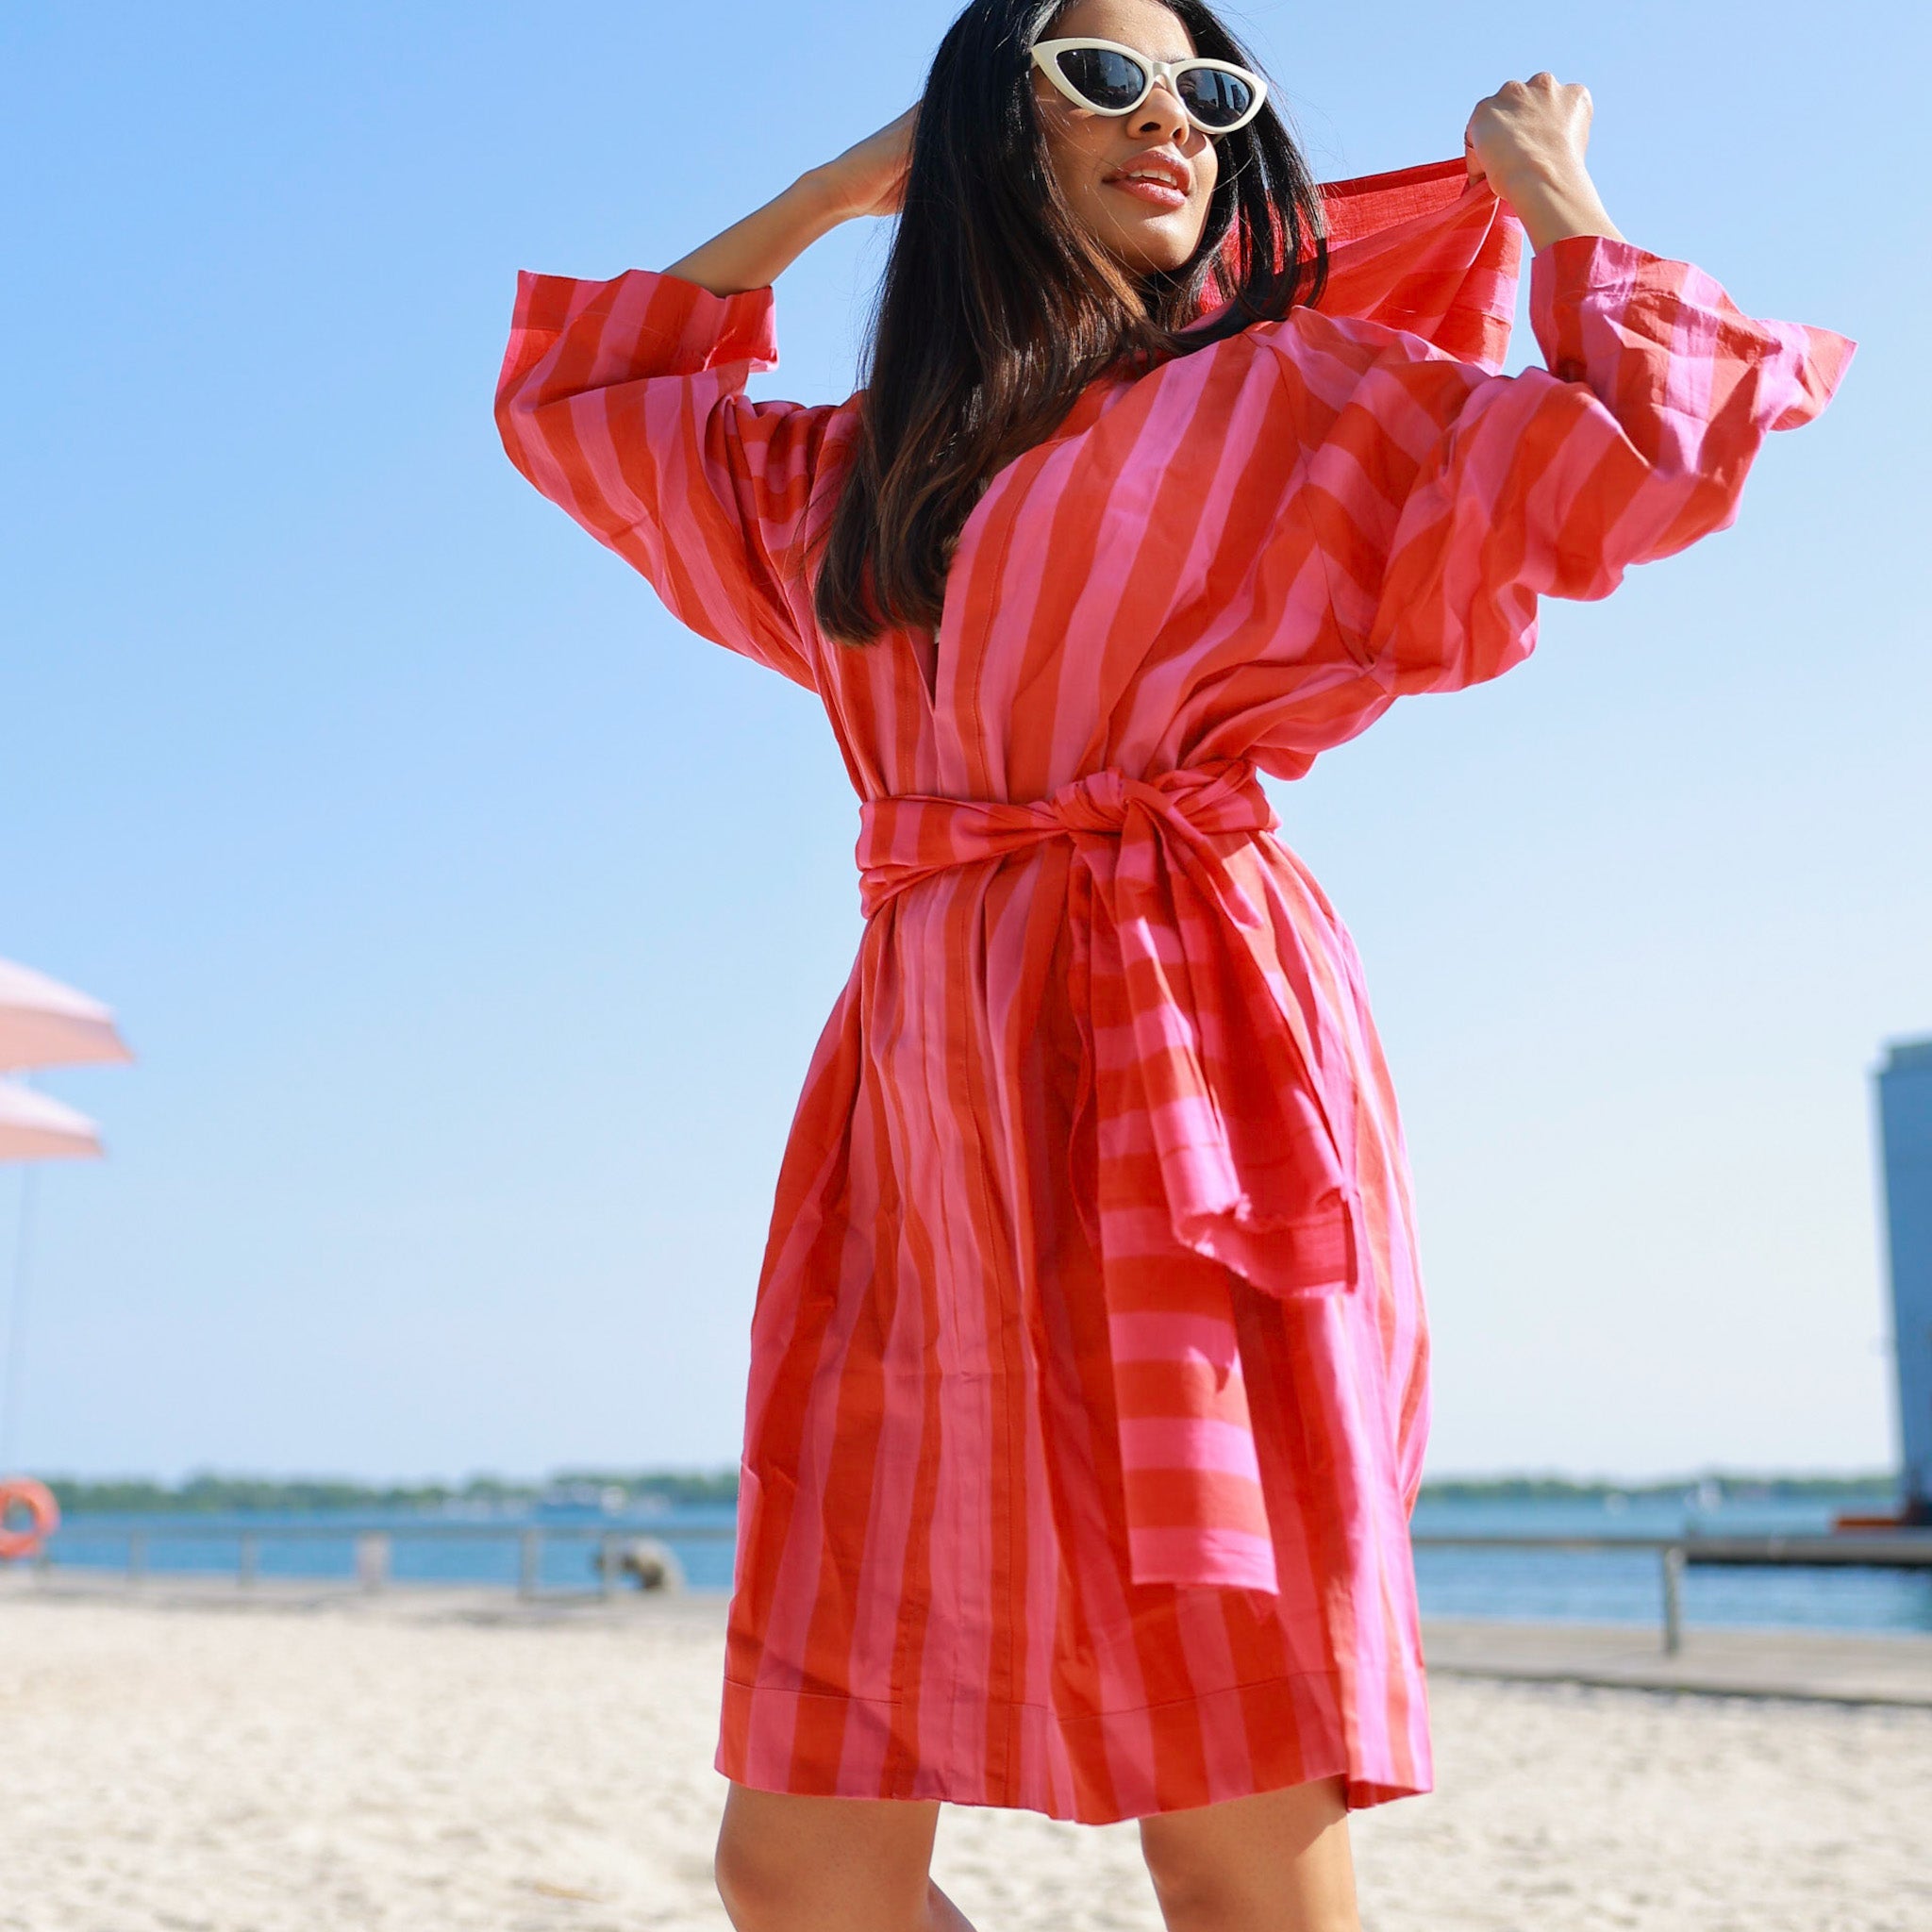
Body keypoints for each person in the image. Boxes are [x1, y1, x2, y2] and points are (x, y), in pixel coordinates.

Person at [496, 1, 1850, 1925]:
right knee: (799, 1857)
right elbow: (586, 409)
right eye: (1103, 77)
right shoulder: (871, 471)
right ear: (991, 124)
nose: (1173, 123)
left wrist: (1553, 199)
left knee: (1227, 1821)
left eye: (1213, 92)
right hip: (920, 1110)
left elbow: (1650, 446)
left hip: (1189, 1063)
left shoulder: (1304, 398)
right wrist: (829, 193)